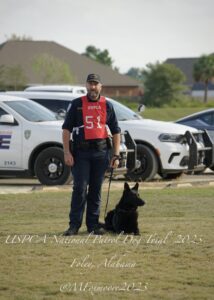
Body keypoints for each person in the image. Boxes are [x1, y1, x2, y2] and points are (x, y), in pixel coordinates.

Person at [62, 73, 121, 235]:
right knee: (80, 189)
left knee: (96, 190)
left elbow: (116, 131)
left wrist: (116, 155)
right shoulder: (76, 104)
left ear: (101, 86)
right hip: (81, 153)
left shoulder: (107, 105)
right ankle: (74, 225)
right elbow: (66, 129)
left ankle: (93, 225)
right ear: (86, 85)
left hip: (101, 153)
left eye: (96, 84)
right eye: (90, 83)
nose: (93, 87)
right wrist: (67, 152)